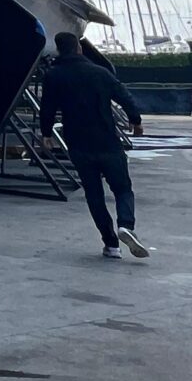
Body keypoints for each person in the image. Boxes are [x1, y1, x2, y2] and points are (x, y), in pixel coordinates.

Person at [40, 32, 150, 258]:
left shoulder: (54, 76)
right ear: (79, 49)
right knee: (122, 189)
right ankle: (126, 225)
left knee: (94, 195)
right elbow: (124, 97)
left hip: (78, 144)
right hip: (107, 141)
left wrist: (46, 133)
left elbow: (47, 107)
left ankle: (111, 245)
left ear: (59, 50)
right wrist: (136, 121)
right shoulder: (100, 73)